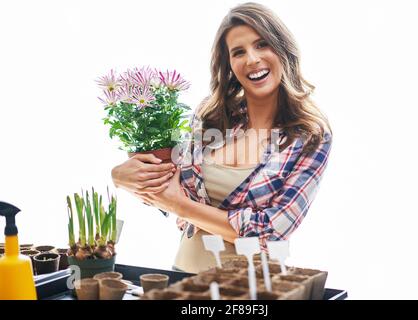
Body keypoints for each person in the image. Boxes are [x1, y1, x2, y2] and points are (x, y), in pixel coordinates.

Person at [111, 2, 332, 273]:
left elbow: (269, 233)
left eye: (262, 44)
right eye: (239, 52)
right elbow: (169, 186)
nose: (251, 59)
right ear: (229, 64)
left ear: (283, 48)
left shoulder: (310, 135)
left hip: (251, 289)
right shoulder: (210, 116)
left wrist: (180, 206)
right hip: (182, 275)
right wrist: (122, 178)